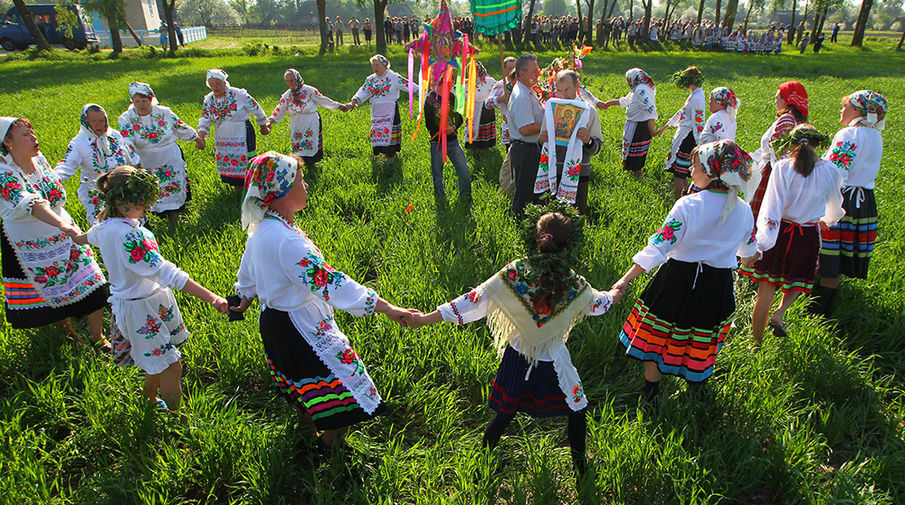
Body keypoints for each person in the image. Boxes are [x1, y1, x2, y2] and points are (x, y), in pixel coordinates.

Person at [406, 207, 620, 474]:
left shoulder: (517, 271)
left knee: (506, 412)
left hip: (518, 355)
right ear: (569, 245)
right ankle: (580, 466)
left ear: (537, 237)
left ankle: (483, 459)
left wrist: (426, 318)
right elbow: (597, 305)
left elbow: (474, 301)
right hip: (553, 360)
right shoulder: (574, 282)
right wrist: (613, 294)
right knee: (577, 408)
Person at [230, 151, 415, 449]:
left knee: (303, 382)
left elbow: (248, 273)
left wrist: (243, 298)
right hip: (299, 327)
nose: (306, 187)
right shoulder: (285, 241)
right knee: (342, 382)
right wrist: (388, 308)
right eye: (301, 181)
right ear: (281, 191)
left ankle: (309, 434)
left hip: (276, 323)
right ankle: (330, 446)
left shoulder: (265, 228)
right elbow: (331, 283)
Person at [68, 166, 228, 411]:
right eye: (141, 203)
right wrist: (213, 298)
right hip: (142, 308)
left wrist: (72, 234)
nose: (148, 208)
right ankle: (178, 420)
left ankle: (149, 399)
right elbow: (167, 273)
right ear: (120, 201)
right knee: (171, 365)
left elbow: (85, 237)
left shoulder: (105, 227)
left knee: (159, 360)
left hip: (141, 304)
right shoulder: (130, 237)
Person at [613, 140, 758, 399]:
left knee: (658, 340)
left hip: (676, 281)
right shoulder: (744, 211)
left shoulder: (688, 205)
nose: (691, 171)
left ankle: (650, 394)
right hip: (717, 286)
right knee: (701, 338)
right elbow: (748, 256)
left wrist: (625, 279)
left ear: (712, 172)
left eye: (696, 166)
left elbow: (659, 246)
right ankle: (694, 391)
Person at [0, 117, 109, 348]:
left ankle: (97, 337)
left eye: (32, 132)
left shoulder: (38, 159)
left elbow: (54, 192)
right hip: (31, 243)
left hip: (65, 236)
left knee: (95, 282)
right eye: (26, 135)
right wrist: (63, 225)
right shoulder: (2, 173)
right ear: (7, 141)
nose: (34, 138)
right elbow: (31, 203)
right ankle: (70, 334)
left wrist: (65, 226)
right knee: (54, 293)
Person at [740, 125, 844, 342]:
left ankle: (755, 344)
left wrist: (761, 244)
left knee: (765, 294)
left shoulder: (782, 167)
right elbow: (835, 206)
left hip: (779, 233)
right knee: (797, 279)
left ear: (790, 143)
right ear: (818, 145)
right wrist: (827, 220)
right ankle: (780, 312)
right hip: (807, 235)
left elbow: (772, 208)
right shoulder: (831, 170)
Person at [812, 90, 887, 316]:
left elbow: (835, 171)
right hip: (863, 202)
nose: (841, 110)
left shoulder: (848, 134)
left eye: (845, 106)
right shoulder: (876, 136)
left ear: (856, 110)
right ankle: (826, 306)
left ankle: (817, 310)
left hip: (841, 198)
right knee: (840, 256)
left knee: (828, 254)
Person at [117, 82, 203, 224]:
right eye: (137, 101)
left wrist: (196, 138)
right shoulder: (127, 118)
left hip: (169, 155)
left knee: (172, 185)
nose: (141, 105)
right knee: (151, 187)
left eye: (144, 101)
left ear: (151, 99)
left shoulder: (164, 113)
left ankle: (174, 217)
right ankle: (149, 219)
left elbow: (179, 127)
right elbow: (126, 141)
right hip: (145, 158)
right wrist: (134, 161)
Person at [56, 104, 140, 226]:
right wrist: (51, 179)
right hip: (96, 189)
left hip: (122, 188)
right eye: (94, 121)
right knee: (103, 225)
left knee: (129, 223)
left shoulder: (114, 136)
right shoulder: (79, 143)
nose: (99, 125)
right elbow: (66, 166)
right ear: (86, 122)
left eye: (102, 120)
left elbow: (132, 159)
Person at [536, 70, 602, 214]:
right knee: (552, 215)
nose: (563, 95)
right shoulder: (552, 109)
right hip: (553, 170)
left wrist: (588, 140)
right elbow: (542, 143)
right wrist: (541, 140)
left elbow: (597, 146)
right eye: (559, 91)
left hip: (578, 173)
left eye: (567, 90)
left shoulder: (589, 111)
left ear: (577, 86)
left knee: (575, 215)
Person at [748, 81, 808, 226]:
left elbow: (780, 151)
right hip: (773, 169)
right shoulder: (793, 120)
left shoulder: (786, 119)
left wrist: (779, 176)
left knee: (758, 215)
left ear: (787, 100)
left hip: (771, 172)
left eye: (777, 97)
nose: (775, 101)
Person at [197, 69, 269, 188]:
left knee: (245, 161)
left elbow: (256, 108)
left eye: (217, 83)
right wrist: (201, 137)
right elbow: (205, 118)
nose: (215, 87)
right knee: (230, 162)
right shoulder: (209, 99)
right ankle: (237, 188)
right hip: (223, 135)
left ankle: (251, 188)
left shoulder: (238, 94)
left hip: (241, 132)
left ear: (224, 82)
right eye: (212, 84)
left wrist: (263, 125)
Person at [265, 69, 347, 168]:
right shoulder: (287, 95)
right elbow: (280, 108)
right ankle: (299, 166)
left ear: (297, 79)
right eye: (287, 81)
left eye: (292, 80)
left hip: (310, 120)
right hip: (297, 123)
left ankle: (312, 165)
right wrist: (270, 121)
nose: (290, 83)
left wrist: (338, 106)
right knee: (297, 143)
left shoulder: (309, 90)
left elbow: (322, 99)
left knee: (310, 141)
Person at [347, 55, 417, 163]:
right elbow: (363, 91)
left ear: (384, 65)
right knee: (378, 131)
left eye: (377, 65)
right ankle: (380, 153)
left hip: (390, 110)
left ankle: (391, 155)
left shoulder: (393, 76)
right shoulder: (371, 79)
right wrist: (355, 100)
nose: (375, 67)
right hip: (377, 110)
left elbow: (408, 84)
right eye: (373, 65)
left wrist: (422, 91)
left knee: (390, 131)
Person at [600, 68, 659, 178]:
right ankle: (630, 176)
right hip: (635, 125)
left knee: (635, 156)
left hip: (639, 126)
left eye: (628, 80)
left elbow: (651, 108)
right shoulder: (637, 89)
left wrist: (652, 128)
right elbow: (625, 101)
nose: (628, 83)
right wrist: (609, 103)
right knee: (630, 153)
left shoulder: (641, 90)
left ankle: (636, 178)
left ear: (634, 79)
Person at [658, 66, 706, 200]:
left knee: (679, 172)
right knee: (681, 169)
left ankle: (677, 199)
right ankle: (685, 193)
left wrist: (699, 142)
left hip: (689, 137)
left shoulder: (697, 97)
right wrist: (667, 125)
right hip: (686, 134)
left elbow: (698, 121)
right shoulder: (695, 94)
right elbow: (682, 111)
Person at [424, 69, 471, 205]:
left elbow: (460, 118)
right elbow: (429, 124)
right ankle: (440, 200)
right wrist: (441, 130)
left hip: (453, 141)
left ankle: (466, 197)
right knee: (437, 174)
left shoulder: (451, 97)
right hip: (436, 142)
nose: (449, 88)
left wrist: (453, 128)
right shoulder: (429, 100)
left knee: (463, 170)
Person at [507, 54, 545, 216]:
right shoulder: (521, 96)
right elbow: (525, 129)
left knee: (532, 190)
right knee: (525, 193)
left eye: (538, 70)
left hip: (529, 148)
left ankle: (531, 222)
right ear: (522, 73)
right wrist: (549, 125)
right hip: (526, 150)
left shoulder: (527, 90)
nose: (538, 74)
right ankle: (520, 224)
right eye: (534, 71)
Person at [487, 58, 517, 195]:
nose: (512, 70)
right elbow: (487, 104)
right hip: (509, 126)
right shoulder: (501, 85)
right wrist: (500, 99)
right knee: (510, 158)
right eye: (509, 68)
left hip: (524, 127)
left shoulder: (522, 84)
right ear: (504, 70)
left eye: (515, 67)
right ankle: (509, 186)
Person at [463, 61, 498, 150]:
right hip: (472, 109)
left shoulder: (489, 81)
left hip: (485, 109)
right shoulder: (466, 83)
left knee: (483, 125)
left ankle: (485, 146)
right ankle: (472, 146)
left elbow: (499, 89)